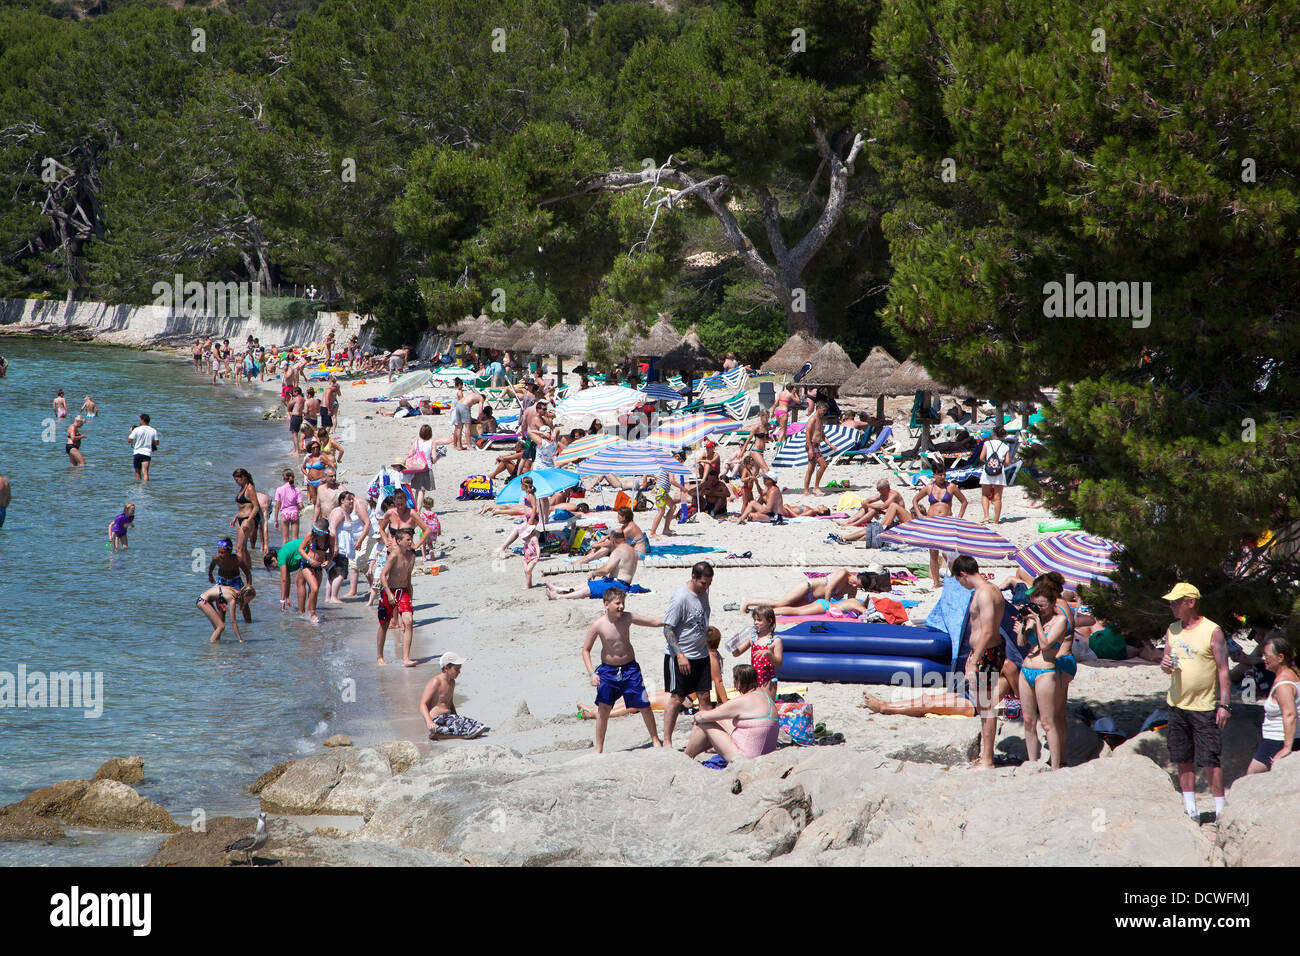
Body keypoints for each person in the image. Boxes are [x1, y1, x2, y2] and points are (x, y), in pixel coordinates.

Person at [1160, 582, 1231, 822]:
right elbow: (1166, 660)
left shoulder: (1212, 630)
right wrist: (1164, 666)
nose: (1172, 606)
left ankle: (1220, 808)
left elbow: (1223, 669)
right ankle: (1191, 808)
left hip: (1205, 705)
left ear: (1190, 602)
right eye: (1170, 602)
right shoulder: (1172, 629)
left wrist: (1224, 704)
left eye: (1176, 602)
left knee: (1211, 758)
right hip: (1177, 703)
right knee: (1182, 757)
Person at [580, 588, 665, 752]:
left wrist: (672, 619)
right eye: (617, 603)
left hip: (630, 669)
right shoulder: (599, 625)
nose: (621, 607)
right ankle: (598, 749)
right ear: (606, 604)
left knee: (644, 704)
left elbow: (653, 622)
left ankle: (655, 739)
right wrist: (592, 673)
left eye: (623, 603)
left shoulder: (628, 618)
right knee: (603, 708)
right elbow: (585, 650)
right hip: (607, 672)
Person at [1016, 579, 1069, 768]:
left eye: (1042, 606)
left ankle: (1056, 766)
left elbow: (1046, 645)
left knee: (1047, 722)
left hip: (1045, 671)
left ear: (1053, 603)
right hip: (1026, 670)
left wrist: (1037, 621)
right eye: (1035, 605)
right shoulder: (1035, 620)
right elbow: (1022, 643)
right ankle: (1032, 762)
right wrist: (1024, 625)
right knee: (1029, 721)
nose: (1039, 609)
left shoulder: (1060, 620)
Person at [661, 562, 714, 748]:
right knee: (677, 698)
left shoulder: (704, 592)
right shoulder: (680, 598)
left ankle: (704, 740)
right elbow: (668, 630)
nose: (706, 587)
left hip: (701, 654)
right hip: (680, 656)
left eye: (709, 584)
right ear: (693, 577)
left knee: (705, 697)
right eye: (703, 583)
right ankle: (667, 740)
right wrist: (680, 655)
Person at [683, 665, 779, 764]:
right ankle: (700, 749)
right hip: (765, 755)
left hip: (743, 758)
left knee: (703, 723)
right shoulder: (765, 697)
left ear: (739, 682)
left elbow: (702, 717)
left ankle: (686, 757)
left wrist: (698, 715)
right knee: (720, 720)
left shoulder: (744, 700)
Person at [1246, 636, 1298, 774]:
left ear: (1280, 657)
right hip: (1283, 738)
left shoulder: (1284, 684)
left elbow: (1290, 714)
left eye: (1266, 655)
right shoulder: (1294, 673)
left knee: (1251, 777)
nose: (1263, 658)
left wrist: (1286, 747)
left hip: (1277, 741)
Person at [911, 464, 968, 588]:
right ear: (934, 475)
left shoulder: (951, 487)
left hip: (947, 521)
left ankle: (956, 579)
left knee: (950, 552)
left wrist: (959, 517)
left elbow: (964, 501)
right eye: (940, 474)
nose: (943, 477)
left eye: (944, 474)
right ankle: (936, 582)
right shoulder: (929, 488)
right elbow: (915, 500)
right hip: (932, 522)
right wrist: (920, 515)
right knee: (933, 552)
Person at [547, 530, 639, 600]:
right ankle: (559, 589)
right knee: (587, 584)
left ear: (613, 540)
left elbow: (607, 569)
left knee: (588, 589)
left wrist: (594, 572)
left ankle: (558, 597)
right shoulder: (631, 550)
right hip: (622, 584)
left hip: (618, 585)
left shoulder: (618, 551)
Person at [739, 568, 869, 613]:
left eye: (857, 587)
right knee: (780, 603)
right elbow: (829, 588)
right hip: (807, 588)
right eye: (855, 582)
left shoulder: (852, 588)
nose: (854, 586)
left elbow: (850, 602)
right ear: (855, 575)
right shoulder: (843, 573)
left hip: (813, 599)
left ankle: (758, 611)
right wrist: (827, 605)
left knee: (788, 609)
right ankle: (748, 601)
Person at [376, 527, 418, 666]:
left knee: (409, 621)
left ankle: (406, 658)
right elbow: (383, 575)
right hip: (389, 590)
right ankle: (380, 656)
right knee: (384, 624)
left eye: (411, 539)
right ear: (399, 541)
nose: (411, 542)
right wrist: (388, 593)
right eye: (408, 539)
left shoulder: (412, 556)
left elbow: (408, 578)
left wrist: (410, 596)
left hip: (403, 591)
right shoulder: (393, 555)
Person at [421, 653, 486, 739]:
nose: (459, 672)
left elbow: (450, 703)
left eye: (459, 669)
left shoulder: (452, 682)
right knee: (470, 731)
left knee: (480, 727)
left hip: (449, 717)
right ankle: (442, 734)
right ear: (446, 668)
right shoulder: (436, 682)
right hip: (437, 720)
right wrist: (429, 722)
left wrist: (458, 718)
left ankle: (448, 733)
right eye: (456, 669)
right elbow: (422, 704)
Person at [732, 606, 783, 700]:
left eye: (759, 620)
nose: (755, 622)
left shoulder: (775, 641)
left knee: (767, 703)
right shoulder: (753, 638)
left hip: (768, 679)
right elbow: (736, 654)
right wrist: (734, 643)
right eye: (754, 619)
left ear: (769, 621)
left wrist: (769, 653)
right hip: (753, 677)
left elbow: (779, 664)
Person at [328, 490, 370, 602]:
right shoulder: (339, 512)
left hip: (343, 547)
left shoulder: (346, 512)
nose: (352, 501)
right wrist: (335, 546)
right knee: (341, 573)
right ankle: (333, 597)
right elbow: (332, 529)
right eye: (349, 499)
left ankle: (330, 597)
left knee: (334, 573)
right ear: (342, 500)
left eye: (352, 499)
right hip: (340, 547)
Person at [297, 510, 335, 624]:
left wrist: (328, 561)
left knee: (314, 592)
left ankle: (307, 615)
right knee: (315, 588)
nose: (317, 533)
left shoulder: (330, 537)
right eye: (316, 530)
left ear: (325, 532)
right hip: (307, 565)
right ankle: (313, 614)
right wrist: (309, 559)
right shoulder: (311, 534)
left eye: (320, 532)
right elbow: (300, 549)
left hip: (318, 566)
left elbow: (332, 552)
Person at [979, 426, 1012, 524]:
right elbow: (1007, 462)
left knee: (985, 495)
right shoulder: (1005, 446)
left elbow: (981, 457)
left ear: (993, 434)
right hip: (999, 472)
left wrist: (989, 462)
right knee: (998, 498)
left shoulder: (987, 443)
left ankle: (986, 516)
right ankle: (996, 520)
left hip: (987, 471)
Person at [230, 468, 262, 566]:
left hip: (247, 518)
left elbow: (256, 506)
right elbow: (242, 507)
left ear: (243, 477)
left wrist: (249, 520)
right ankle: (248, 569)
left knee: (239, 548)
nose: (236, 482)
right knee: (242, 548)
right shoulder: (242, 488)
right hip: (240, 518)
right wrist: (235, 517)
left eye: (237, 480)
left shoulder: (250, 488)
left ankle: (240, 570)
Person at [802, 401, 829, 495]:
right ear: (818, 408)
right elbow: (807, 434)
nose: (824, 412)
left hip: (816, 445)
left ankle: (806, 491)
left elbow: (822, 434)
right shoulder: (813, 419)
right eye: (823, 410)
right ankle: (816, 487)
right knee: (823, 465)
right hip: (812, 445)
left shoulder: (820, 420)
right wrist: (810, 449)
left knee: (811, 468)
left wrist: (830, 445)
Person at [274, 470, 303, 546]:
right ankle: (295, 556)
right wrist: (297, 507)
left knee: (285, 540)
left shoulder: (279, 490)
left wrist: (276, 520)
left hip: (284, 513)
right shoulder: (297, 490)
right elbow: (301, 506)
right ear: (293, 477)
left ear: (283, 478)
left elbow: (277, 506)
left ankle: (284, 556)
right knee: (295, 539)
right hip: (294, 513)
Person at [127, 413, 159, 480]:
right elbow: (156, 443)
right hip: (147, 453)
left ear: (142, 420)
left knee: (137, 472)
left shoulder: (137, 429)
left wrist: (131, 433)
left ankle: (139, 488)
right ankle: (146, 488)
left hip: (137, 453)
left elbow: (129, 440)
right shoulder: (153, 430)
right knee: (145, 473)